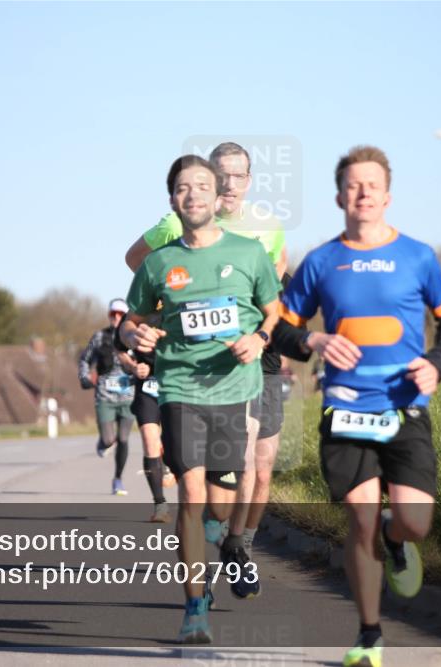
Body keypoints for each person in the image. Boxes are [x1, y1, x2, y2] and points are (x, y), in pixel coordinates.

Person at [277, 145, 441, 667]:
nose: (363, 194)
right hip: (345, 410)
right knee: (359, 520)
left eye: (372, 185)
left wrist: (437, 363)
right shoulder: (320, 262)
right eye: (354, 185)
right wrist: (313, 343)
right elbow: (281, 332)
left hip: (404, 407)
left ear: (388, 196)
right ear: (339, 196)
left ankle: (396, 537)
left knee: (414, 521)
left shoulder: (418, 257)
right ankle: (369, 636)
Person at [124, 142, 307, 599]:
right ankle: (216, 542)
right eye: (219, 175)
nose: (228, 184)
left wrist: (269, 334)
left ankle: (238, 546)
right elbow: (135, 261)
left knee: (263, 467)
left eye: (238, 176)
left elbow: (277, 282)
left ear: (249, 180)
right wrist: (168, 309)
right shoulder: (178, 222)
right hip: (201, 363)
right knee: (234, 462)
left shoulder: (267, 226)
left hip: (257, 354)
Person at [113, 312, 176, 523]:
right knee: (150, 440)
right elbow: (119, 348)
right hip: (147, 385)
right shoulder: (138, 308)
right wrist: (133, 367)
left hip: (178, 385)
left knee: (176, 444)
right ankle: (160, 505)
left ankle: (170, 462)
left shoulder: (183, 295)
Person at [79, 299, 137, 496]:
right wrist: (85, 377)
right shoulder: (99, 337)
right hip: (105, 396)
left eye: (120, 314)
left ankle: (118, 479)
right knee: (109, 438)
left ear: (126, 317)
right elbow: (85, 359)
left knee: (123, 438)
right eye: (113, 314)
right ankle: (103, 442)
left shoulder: (133, 336)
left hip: (128, 396)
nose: (116, 318)